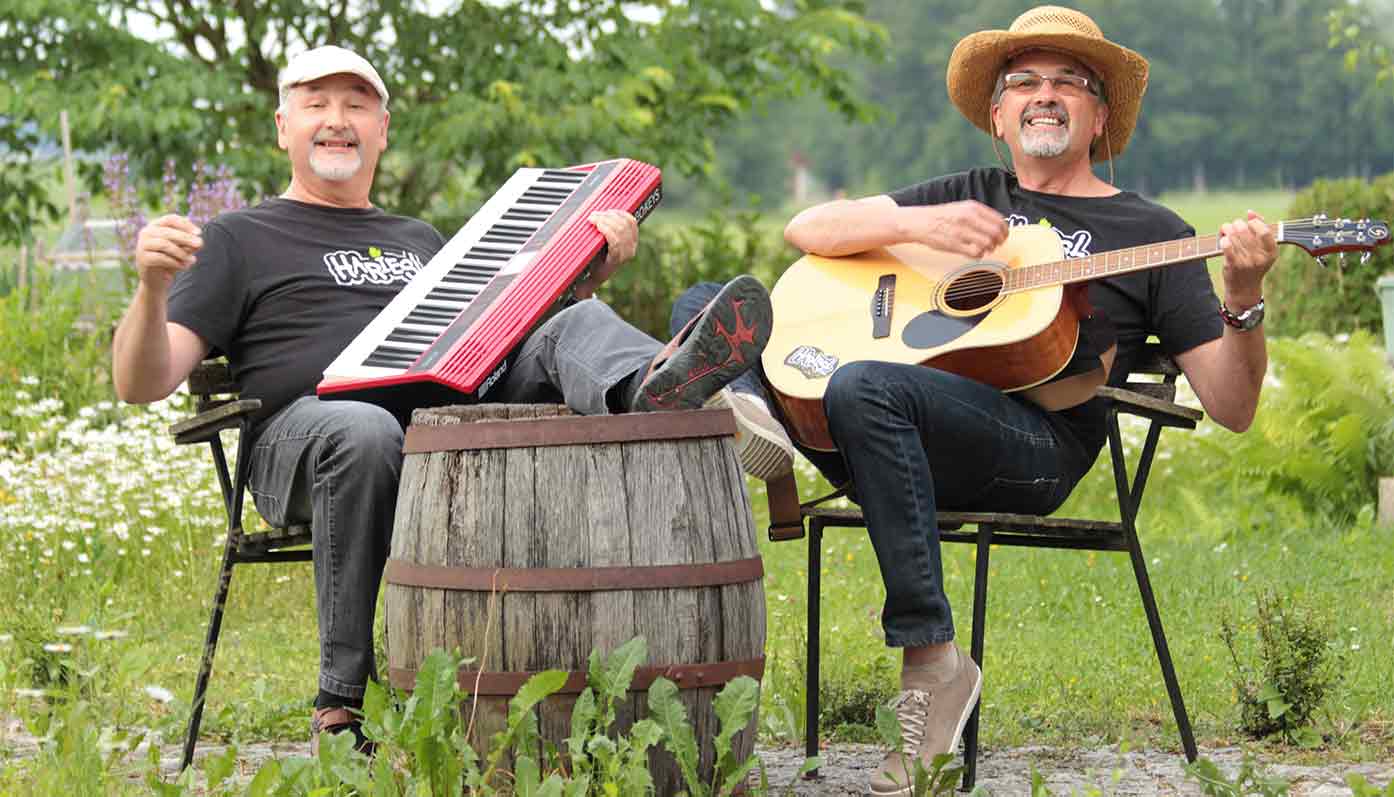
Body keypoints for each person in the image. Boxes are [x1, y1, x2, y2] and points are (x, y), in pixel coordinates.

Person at [674, 5, 1278, 794]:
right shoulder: (969, 195)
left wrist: (1244, 293)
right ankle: (770, 423)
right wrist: (924, 220)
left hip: (1028, 448)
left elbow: (1232, 405)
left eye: (1069, 81)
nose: (1044, 93)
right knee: (709, 304)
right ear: (998, 114)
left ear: (1101, 115)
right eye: (1022, 81)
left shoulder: (1150, 229)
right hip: (881, 428)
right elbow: (807, 226)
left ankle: (934, 662)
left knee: (863, 385)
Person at [110, 44, 772, 755]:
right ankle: (339, 703)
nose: (338, 120)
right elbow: (140, 382)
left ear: (383, 129)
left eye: (357, 104)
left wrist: (584, 275)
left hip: (435, 427)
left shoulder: (421, 241)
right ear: (283, 127)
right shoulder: (240, 236)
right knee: (361, 431)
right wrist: (150, 288)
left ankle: (652, 390)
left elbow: (501, 338)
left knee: (569, 324)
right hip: (305, 440)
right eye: (317, 104)